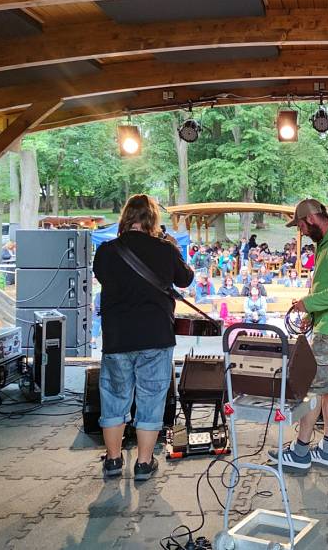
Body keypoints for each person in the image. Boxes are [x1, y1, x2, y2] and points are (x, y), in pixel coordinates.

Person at [93, 194, 194, 480]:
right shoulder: (165, 249)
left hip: (117, 338)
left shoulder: (107, 251)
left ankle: (113, 461)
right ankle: (143, 463)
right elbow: (185, 279)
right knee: (151, 398)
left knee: (113, 397)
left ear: (126, 218)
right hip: (155, 335)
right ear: (152, 219)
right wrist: (173, 249)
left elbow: (103, 277)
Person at [270, 199, 328, 472]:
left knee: (310, 389)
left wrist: (307, 304)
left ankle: (300, 452)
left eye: (300, 225)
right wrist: (312, 314)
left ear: (311, 218)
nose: (300, 231)